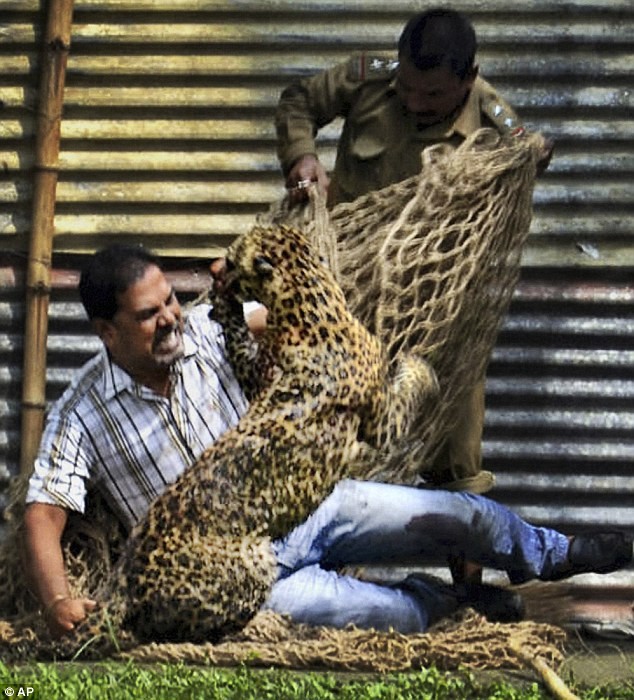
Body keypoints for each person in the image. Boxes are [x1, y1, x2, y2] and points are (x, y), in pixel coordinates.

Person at [23, 244, 632, 639]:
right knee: (383, 615)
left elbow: (298, 320)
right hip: (245, 573)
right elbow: (44, 512)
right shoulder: (82, 410)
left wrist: (255, 287)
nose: (172, 318)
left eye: (172, 301)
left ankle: (557, 552)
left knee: (460, 516)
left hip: (314, 504)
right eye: (149, 314)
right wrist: (57, 601)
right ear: (107, 331)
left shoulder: (207, 331)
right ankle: (465, 608)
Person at [275, 7, 554, 582]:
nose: (413, 99)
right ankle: (325, 580)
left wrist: (530, 157)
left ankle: (469, 594)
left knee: (458, 456)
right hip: (353, 298)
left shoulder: (494, 116)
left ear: (468, 78)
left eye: (430, 93)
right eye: (405, 84)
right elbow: (299, 99)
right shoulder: (368, 79)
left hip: (442, 315)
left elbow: (528, 151)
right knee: (338, 436)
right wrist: (303, 156)